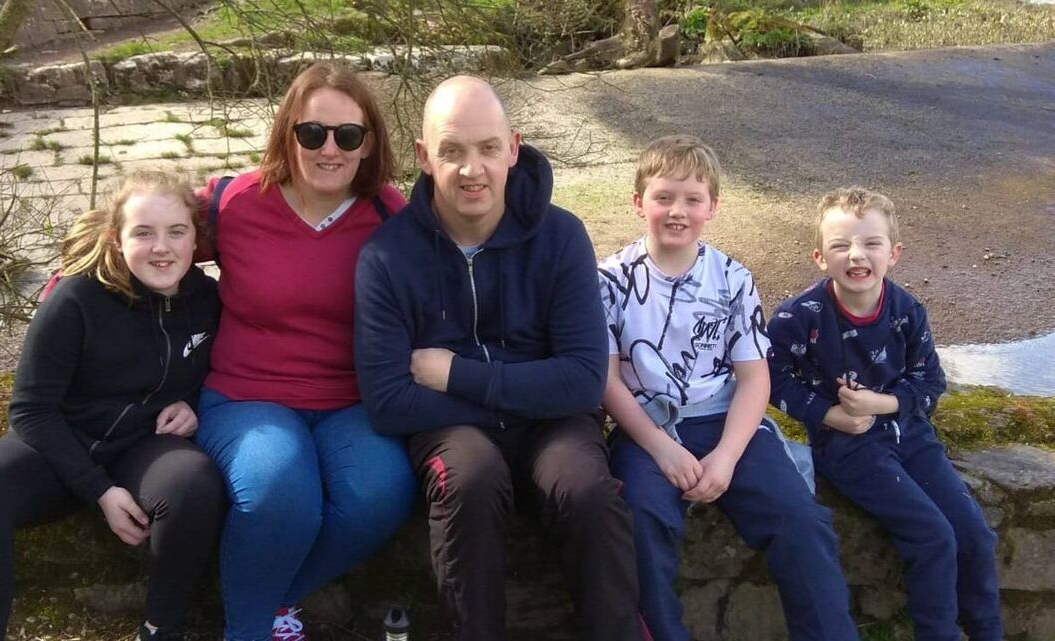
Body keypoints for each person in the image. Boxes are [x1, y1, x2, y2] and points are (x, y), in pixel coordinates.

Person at [354, 75, 646, 641]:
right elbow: (389, 402)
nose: (473, 169)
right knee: (471, 478)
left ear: (513, 148)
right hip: (451, 430)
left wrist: (457, 374)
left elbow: (585, 381)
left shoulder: (561, 237)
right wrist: (522, 392)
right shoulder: (387, 257)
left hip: (550, 424)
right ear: (422, 157)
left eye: (488, 149)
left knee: (586, 489)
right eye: (452, 151)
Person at [597, 135, 860, 641]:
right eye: (663, 197)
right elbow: (606, 380)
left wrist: (726, 457)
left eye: (693, 199)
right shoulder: (610, 280)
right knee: (640, 525)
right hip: (645, 427)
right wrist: (664, 452)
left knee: (801, 520)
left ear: (712, 207)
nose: (678, 211)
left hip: (725, 420)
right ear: (638, 203)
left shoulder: (732, 279)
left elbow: (754, 378)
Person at [0, 169, 225, 641]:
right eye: (144, 233)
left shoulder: (209, 300)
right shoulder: (77, 297)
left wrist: (197, 401)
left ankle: (160, 630)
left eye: (177, 231)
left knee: (194, 484)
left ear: (197, 238)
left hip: (144, 444)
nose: (162, 247)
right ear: (117, 240)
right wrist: (100, 490)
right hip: (62, 442)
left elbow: (234, 366)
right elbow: (31, 408)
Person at [192, 62, 415, 641]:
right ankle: (245, 631)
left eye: (348, 135)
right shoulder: (235, 202)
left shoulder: (391, 214)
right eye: (312, 133)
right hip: (247, 394)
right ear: (287, 133)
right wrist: (69, 289)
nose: (329, 149)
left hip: (351, 400)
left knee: (380, 494)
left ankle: (273, 599)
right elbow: (142, 232)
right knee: (277, 491)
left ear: (369, 144)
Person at [767, 187, 1002, 641]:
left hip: (910, 435)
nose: (856, 256)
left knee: (974, 534)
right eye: (840, 245)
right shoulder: (799, 317)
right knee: (933, 536)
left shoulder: (907, 311)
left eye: (871, 244)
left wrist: (883, 404)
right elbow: (770, 376)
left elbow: (931, 383)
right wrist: (828, 414)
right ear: (820, 257)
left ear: (893, 254)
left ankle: (987, 631)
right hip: (849, 447)